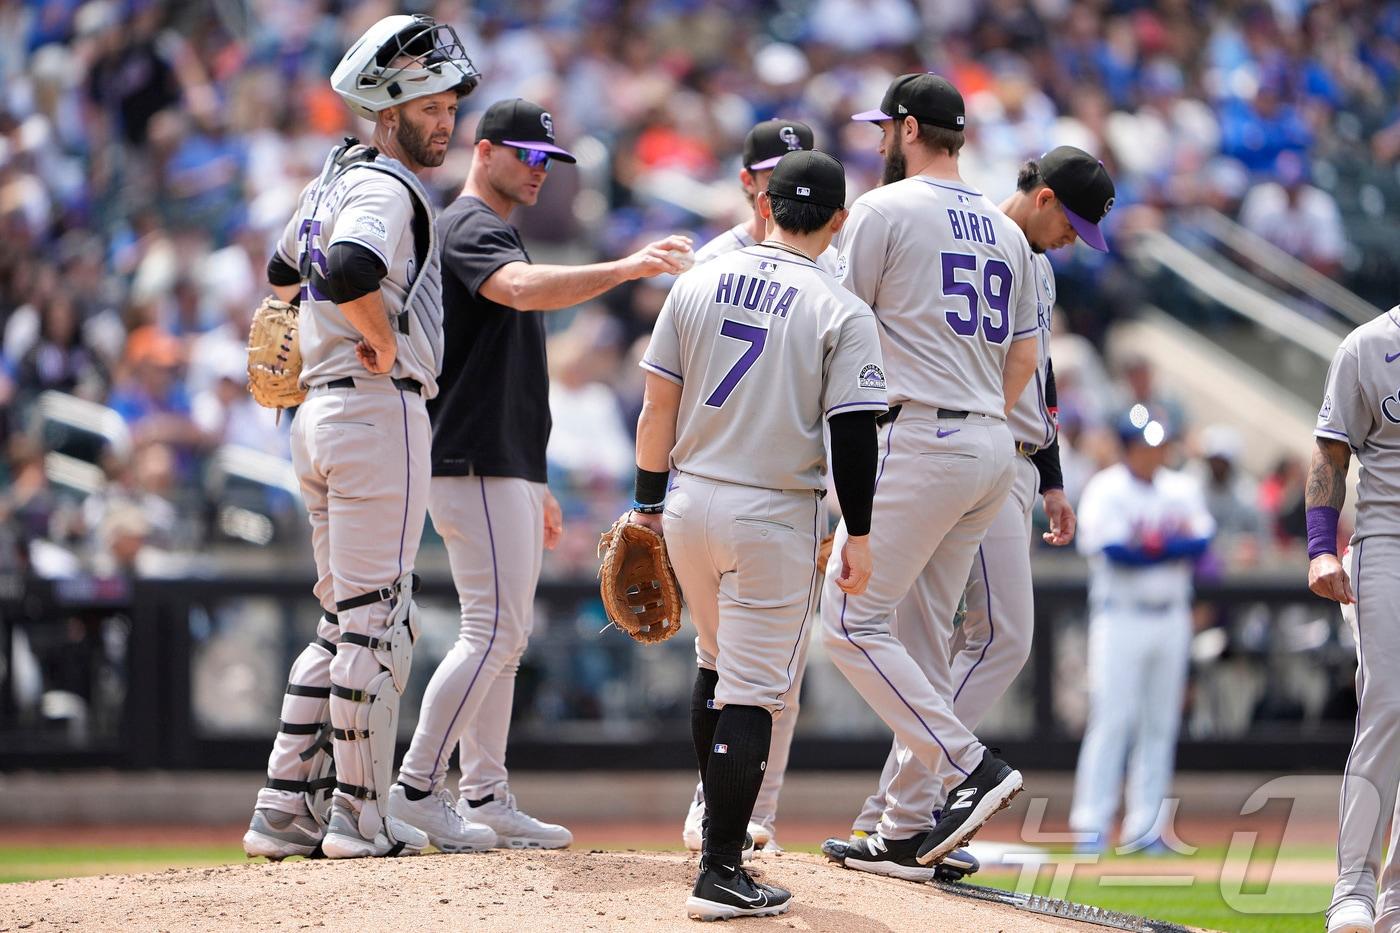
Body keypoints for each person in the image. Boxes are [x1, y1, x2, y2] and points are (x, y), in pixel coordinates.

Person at [390, 98, 694, 851]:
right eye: (525, 155)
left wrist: (539, 480)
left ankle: (486, 792)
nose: (537, 171)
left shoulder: (496, 230)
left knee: (504, 635)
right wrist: (627, 267)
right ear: (483, 149)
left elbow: (508, 368)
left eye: (545, 161)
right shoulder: (467, 224)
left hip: (505, 459)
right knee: (492, 629)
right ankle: (418, 785)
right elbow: (521, 289)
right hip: (472, 456)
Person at [832, 147, 1114, 882]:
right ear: (1045, 196)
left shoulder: (1029, 261)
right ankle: (920, 800)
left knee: (952, 636)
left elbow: (1041, 375)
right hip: (975, 446)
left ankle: (905, 813)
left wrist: (1050, 473)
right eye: (1072, 224)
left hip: (989, 449)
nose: (1072, 241)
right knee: (992, 638)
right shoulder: (984, 235)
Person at [241, 13, 480, 861]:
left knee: (344, 622)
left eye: (451, 104)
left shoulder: (329, 181)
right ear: (388, 111)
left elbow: (280, 274)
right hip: (376, 407)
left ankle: (281, 806)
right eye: (429, 104)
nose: (446, 119)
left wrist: (320, 327)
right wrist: (375, 334)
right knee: (380, 622)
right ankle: (358, 815)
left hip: (318, 417)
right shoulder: (381, 186)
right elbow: (346, 270)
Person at [634, 149, 886, 920]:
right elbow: (854, 438)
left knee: (714, 666)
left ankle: (720, 843)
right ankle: (719, 869)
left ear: (766, 205)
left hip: (688, 501)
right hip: (771, 510)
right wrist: (862, 533)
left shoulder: (699, 278)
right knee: (755, 691)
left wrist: (646, 506)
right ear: (839, 221)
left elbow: (655, 411)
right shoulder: (840, 306)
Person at [817, 72, 1049, 869]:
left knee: (846, 621)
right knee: (914, 638)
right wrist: (980, 408)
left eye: (887, 126)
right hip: (989, 443)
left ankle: (967, 764)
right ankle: (905, 825)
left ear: (911, 128)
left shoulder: (883, 208)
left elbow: (838, 326)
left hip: (920, 436)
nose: (880, 138)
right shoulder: (1006, 229)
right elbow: (1026, 356)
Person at [680, 116, 826, 854]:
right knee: (732, 663)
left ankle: (746, 816)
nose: (780, 183)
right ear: (747, 182)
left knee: (778, 672)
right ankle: (720, 813)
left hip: (775, 490)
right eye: (771, 170)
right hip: (732, 489)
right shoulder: (715, 262)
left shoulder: (823, 266)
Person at [1069, 407, 1214, 854]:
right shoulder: (1107, 488)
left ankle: (1145, 827)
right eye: (1144, 445)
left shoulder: (1181, 487)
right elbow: (1114, 551)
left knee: (1159, 724)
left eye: (1158, 445)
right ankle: (1091, 825)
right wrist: (1166, 548)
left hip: (1171, 615)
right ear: (1127, 447)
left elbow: (1202, 541)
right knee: (1112, 720)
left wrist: (1155, 546)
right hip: (1121, 615)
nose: (1153, 453)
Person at [1308, 305, 1400, 933]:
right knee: (1388, 703)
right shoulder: (1368, 345)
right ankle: (1354, 885)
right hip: (1387, 541)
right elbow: (1330, 455)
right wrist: (1319, 548)